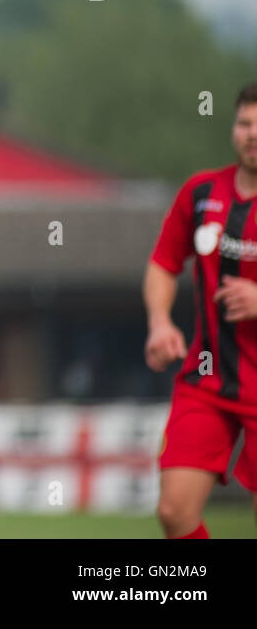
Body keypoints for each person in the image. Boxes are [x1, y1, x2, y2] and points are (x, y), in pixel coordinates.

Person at [145, 82, 257, 539]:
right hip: (207, 381)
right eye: (245, 123)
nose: (253, 134)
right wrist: (159, 322)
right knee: (174, 512)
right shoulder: (201, 192)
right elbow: (162, 264)